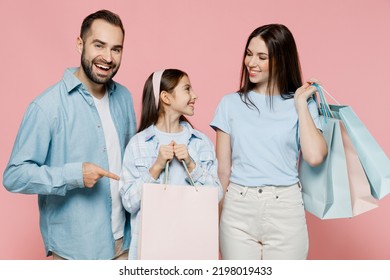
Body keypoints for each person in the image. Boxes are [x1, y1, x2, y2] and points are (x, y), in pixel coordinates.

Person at [2, 10, 136, 260]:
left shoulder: (124, 98)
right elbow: (14, 175)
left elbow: (131, 163)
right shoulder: (47, 106)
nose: (107, 57)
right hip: (73, 252)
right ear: (80, 44)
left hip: (123, 245)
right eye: (99, 45)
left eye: (116, 49)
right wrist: (74, 175)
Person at [210, 24, 328, 260]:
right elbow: (222, 171)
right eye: (249, 54)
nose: (251, 63)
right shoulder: (230, 104)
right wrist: (215, 221)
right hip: (237, 207)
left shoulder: (302, 104)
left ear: (282, 60)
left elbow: (315, 156)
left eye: (262, 57)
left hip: (285, 207)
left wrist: (301, 104)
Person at [119, 69, 223, 259]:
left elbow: (216, 195)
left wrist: (192, 165)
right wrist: (155, 167)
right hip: (152, 252)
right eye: (187, 89)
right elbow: (128, 202)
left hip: (193, 248)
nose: (195, 95)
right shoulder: (138, 144)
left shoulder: (201, 142)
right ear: (166, 97)